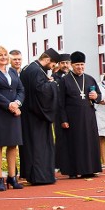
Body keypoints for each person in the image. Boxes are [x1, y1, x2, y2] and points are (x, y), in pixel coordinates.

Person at [0, 45, 27, 192]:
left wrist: (17, 103)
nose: (3, 57)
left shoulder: (13, 71)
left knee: (13, 144)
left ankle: (12, 177)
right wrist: (8, 105)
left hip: (13, 111)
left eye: (4, 55)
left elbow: (21, 89)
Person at [18, 48, 60, 186]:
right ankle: (40, 176)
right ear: (48, 60)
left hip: (28, 114)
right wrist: (53, 84)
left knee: (31, 145)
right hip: (37, 115)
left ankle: (31, 174)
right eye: (53, 65)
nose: (52, 68)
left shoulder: (28, 68)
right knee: (39, 146)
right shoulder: (36, 71)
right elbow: (41, 92)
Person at [58, 51, 102, 178]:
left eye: (82, 64)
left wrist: (96, 96)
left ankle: (90, 169)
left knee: (89, 142)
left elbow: (99, 97)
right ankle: (74, 170)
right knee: (75, 144)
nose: (80, 67)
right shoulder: (65, 80)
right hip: (72, 118)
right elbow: (60, 102)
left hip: (88, 116)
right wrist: (63, 119)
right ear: (72, 65)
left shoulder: (90, 79)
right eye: (77, 65)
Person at [52, 53, 72, 173]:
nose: (65, 65)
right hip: (58, 112)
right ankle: (59, 163)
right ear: (59, 64)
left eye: (67, 63)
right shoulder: (54, 77)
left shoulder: (74, 76)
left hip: (71, 111)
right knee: (60, 137)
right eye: (63, 63)